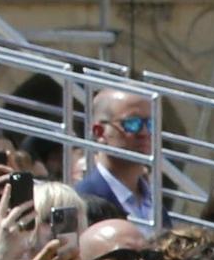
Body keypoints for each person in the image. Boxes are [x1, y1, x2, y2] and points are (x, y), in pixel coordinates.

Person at [70, 87, 165, 232]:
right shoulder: (80, 202)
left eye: (151, 124)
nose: (145, 133)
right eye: (132, 124)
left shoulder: (154, 203)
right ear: (100, 132)